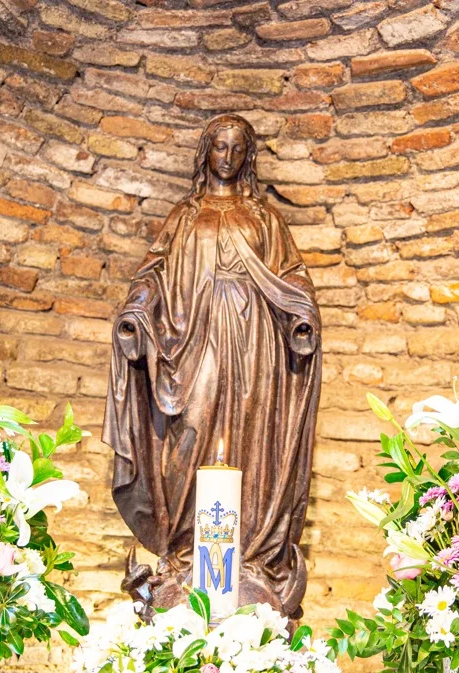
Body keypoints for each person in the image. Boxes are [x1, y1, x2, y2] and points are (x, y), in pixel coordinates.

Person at [103, 113, 322, 619]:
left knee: (250, 436)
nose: (228, 156)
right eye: (220, 147)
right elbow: (154, 274)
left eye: (237, 148)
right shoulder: (185, 214)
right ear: (207, 153)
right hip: (193, 340)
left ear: (248, 156)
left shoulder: (266, 218)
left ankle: (248, 559)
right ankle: (184, 553)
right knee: (190, 430)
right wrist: (137, 312)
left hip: (254, 342)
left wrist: (301, 314)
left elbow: (291, 275)